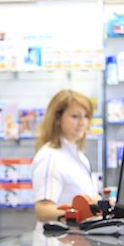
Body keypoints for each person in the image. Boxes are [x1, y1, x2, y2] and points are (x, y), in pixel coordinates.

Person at [32, 89, 100, 222]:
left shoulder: (79, 156)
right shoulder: (50, 158)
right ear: (57, 118)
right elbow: (43, 210)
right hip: (60, 240)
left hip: (80, 238)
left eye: (86, 116)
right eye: (75, 116)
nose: (82, 122)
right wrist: (77, 215)